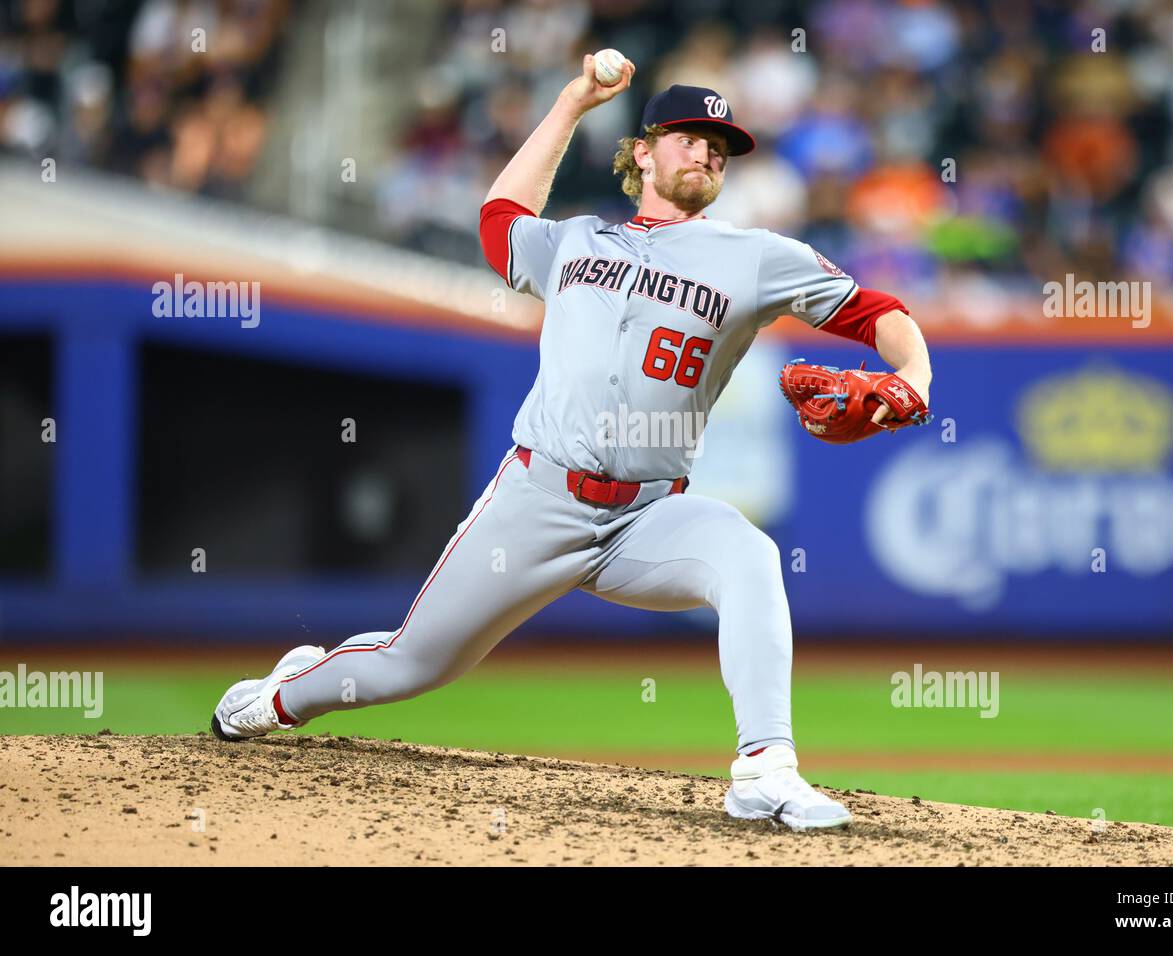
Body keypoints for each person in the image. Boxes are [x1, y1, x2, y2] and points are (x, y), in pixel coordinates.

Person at [212, 54, 932, 832]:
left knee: (749, 555)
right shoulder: (576, 241)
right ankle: (284, 693)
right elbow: (498, 223)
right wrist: (571, 103)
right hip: (538, 501)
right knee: (408, 665)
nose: (708, 152)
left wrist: (915, 379)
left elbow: (879, 313)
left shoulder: (755, 257)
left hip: (646, 519)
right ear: (644, 151)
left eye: (720, 146)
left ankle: (766, 768)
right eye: (690, 136)